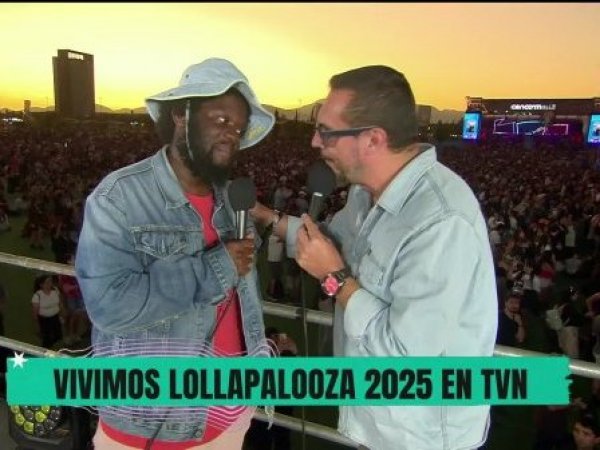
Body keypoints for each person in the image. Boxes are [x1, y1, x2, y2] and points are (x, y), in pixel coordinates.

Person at [252, 65, 498, 449]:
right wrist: (265, 215)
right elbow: (328, 242)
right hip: (375, 423)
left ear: (373, 139)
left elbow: (404, 358)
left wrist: (335, 279)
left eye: (327, 132)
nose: (315, 141)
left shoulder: (440, 222)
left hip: (419, 437)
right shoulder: (364, 193)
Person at [75, 58, 275, 449]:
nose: (231, 135)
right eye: (221, 120)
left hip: (231, 417)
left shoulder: (233, 200)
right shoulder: (120, 197)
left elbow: (238, 296)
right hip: (149, 425)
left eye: (238, 128)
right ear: (181, 115)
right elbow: (109, 305)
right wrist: (217, 267)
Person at [31, 274, 64, 349]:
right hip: (44, 320)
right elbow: (35, 312)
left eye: (50, 281)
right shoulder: (37, 296)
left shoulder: (55, 291)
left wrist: (62, 314)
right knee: (47, 339)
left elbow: (60, 303)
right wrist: (37, 325)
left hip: (55, 317)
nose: (50, 284)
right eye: (47, 282)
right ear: (41, 285)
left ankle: (50, 345)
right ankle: (45, 349)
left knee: (58, 336)